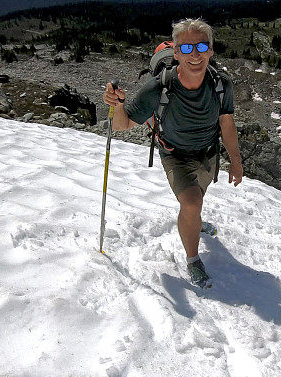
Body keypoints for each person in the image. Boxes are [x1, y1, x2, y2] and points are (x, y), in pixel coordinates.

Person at [102, 18, 244, 289]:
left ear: (211, 50)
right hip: (175, 154)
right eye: (187, 48)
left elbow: (226, 121)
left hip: (208, 153)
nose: (195, 54)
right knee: (191, 203)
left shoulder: (221, 84)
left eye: (202, 46)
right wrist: (117, 105)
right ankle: (193, 260)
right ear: (176, 53)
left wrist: (235, 162)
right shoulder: (159, 87)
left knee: (197, 200)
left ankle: (194, 223)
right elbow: (123, 124)